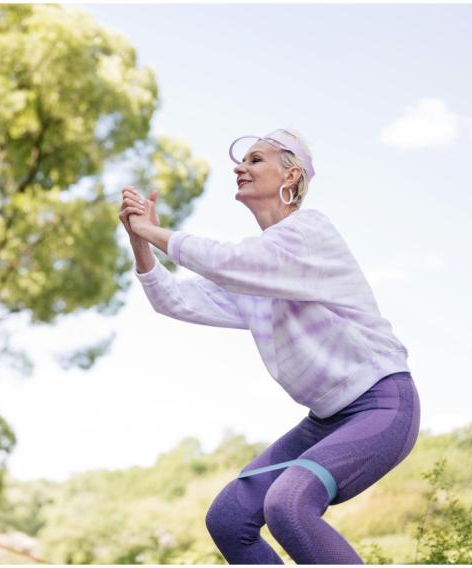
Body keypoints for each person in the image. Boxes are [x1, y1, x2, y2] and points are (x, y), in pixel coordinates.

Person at [117, 129, 420, 564]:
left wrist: (154, 229)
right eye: (242, 161)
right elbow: (175, 299)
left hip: (382, 405)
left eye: (255, 160)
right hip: (326, 420)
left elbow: (233, 262)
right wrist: (140, 242)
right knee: (229, 518)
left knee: (288, 504)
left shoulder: (310, 232)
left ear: (291, 174)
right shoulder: (255, 276)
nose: (240, 167)